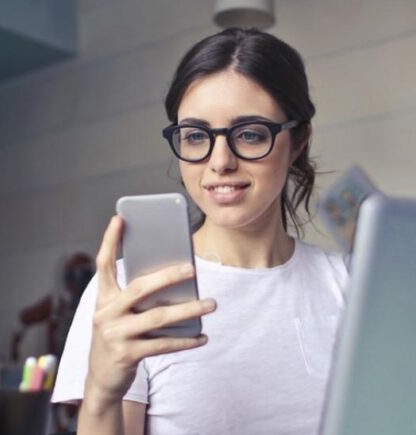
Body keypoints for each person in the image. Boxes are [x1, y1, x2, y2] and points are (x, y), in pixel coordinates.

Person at [52, 28, 349, 435]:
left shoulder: (350, 284)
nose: (220, 162)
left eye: (249, 134)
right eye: (195, 136)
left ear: (298, 140)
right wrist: (102, 390)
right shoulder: (130, 292)